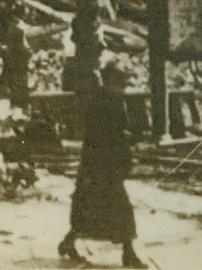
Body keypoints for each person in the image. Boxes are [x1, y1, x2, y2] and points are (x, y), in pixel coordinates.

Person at [59, 63, 146, 268]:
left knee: (88, 208)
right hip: (104, 166)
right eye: (121, 84)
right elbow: (110, 137)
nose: (123, 88)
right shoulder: (110, 103)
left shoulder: (100, 100)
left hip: (96, 165)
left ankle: (68, 242)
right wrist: (126, 151)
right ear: (111, 83)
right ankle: (128, 253)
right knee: (119, 210)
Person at [0, 3, 32, 109]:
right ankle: (21, 105)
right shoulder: (18, 29)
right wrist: (29, 51)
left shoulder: (12, 26)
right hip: (19, 58)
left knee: (15, 82)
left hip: (14, 58)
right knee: (21, 82)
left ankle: (16, 105)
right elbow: (22, 45)